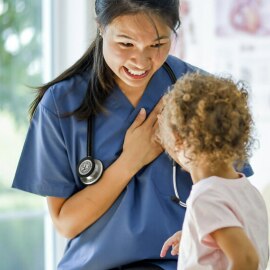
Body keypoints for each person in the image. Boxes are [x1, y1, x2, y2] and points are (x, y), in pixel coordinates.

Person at [12, 1, 253, 269]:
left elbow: (234, 200)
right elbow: (65, 224)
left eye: (158, 44)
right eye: (126, 44)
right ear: (101, 26)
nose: (141, 61)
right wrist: (130, 161)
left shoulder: (202, 96)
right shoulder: (61, 104)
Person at [158, 73, 269, 269]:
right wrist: (195, 239)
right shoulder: (248, 191)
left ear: (177, 138)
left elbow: (247, 258)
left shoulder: (206, 196)